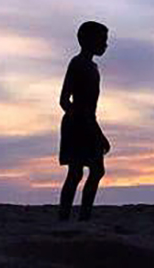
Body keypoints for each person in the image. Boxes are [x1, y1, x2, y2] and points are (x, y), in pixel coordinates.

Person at [58, 20, 110, 221]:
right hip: (78, 124)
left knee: (93, 171)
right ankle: (68, 217)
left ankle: (82, 216)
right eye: (102, 40)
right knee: (78, 172)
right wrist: (79, 120)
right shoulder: (77, 63)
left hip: (87, 122)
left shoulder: (92, 67)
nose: (105, 45)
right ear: (87, 40)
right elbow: (64, 99)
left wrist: (93, 126)